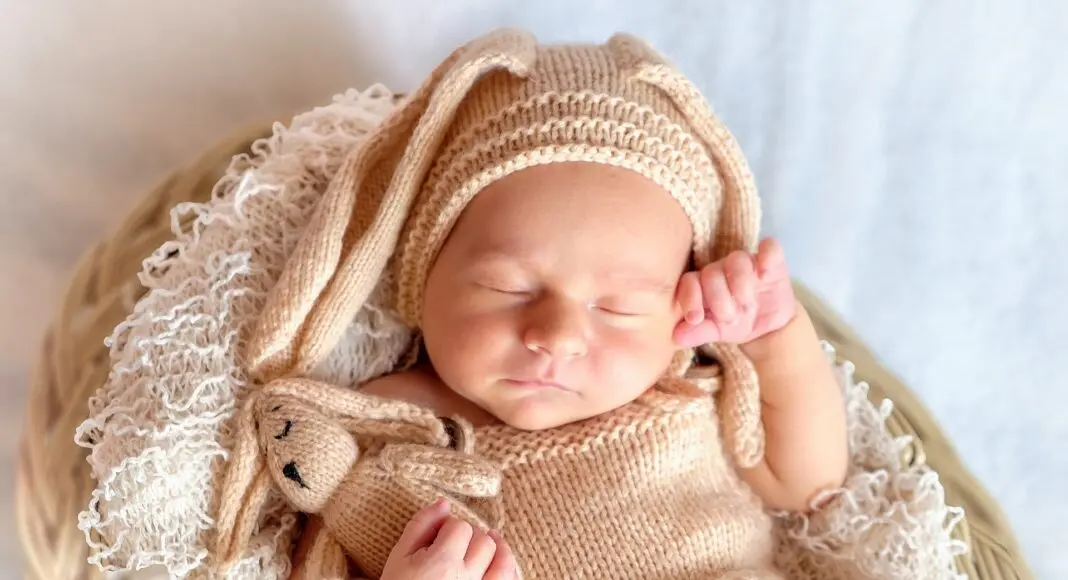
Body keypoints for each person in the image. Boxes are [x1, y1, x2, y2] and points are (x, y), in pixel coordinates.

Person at [218, 28, 848, 579]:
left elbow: (807, 486)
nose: (557, 335)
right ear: (424, 275)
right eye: (509, 288)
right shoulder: (384, 425)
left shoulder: (681, 387)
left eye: (619, 307)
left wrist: (774, 341)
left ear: (680, 309)